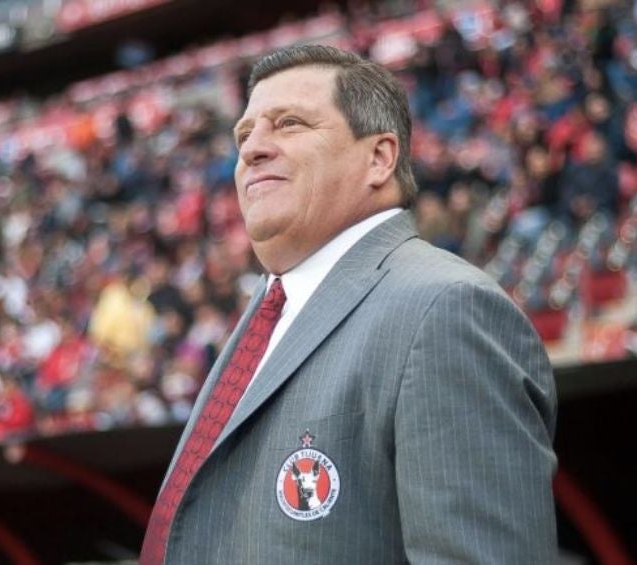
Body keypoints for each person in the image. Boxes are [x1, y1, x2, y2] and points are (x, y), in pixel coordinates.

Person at [139, 45, 557, 563]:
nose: (252, 150)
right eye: (244, 135)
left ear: (378, 158)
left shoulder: (446, 309)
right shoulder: (270, 312)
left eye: (289, 124)